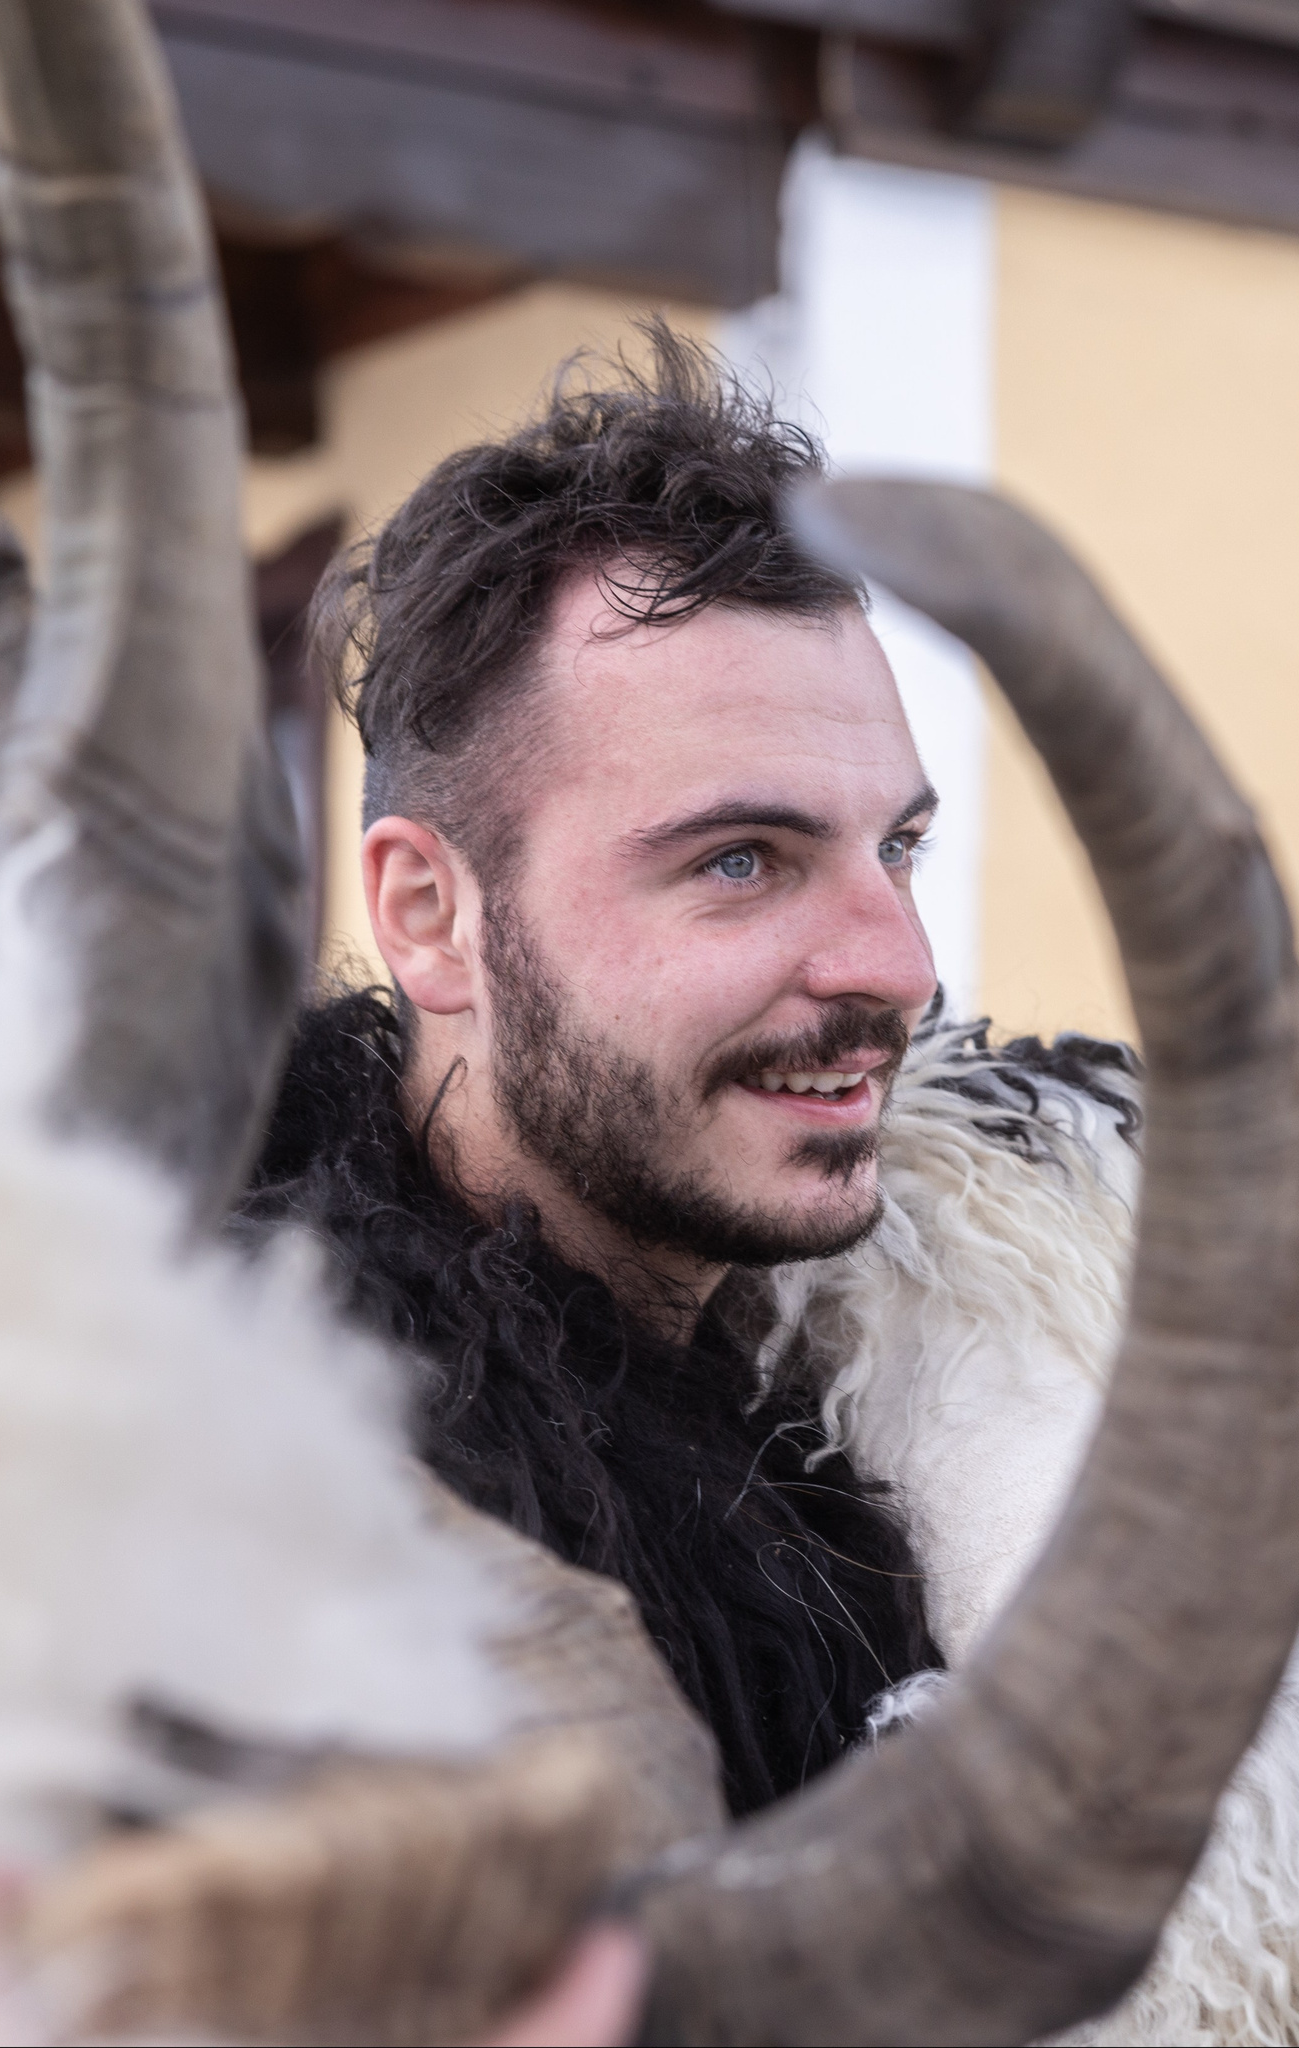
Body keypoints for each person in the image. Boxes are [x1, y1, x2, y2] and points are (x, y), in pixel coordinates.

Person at [239, 327, 947, 1819]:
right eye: (741, 859)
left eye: (897, 848)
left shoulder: (925, 1413)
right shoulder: (217, 1512)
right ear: (430, 917)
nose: (898, 967)